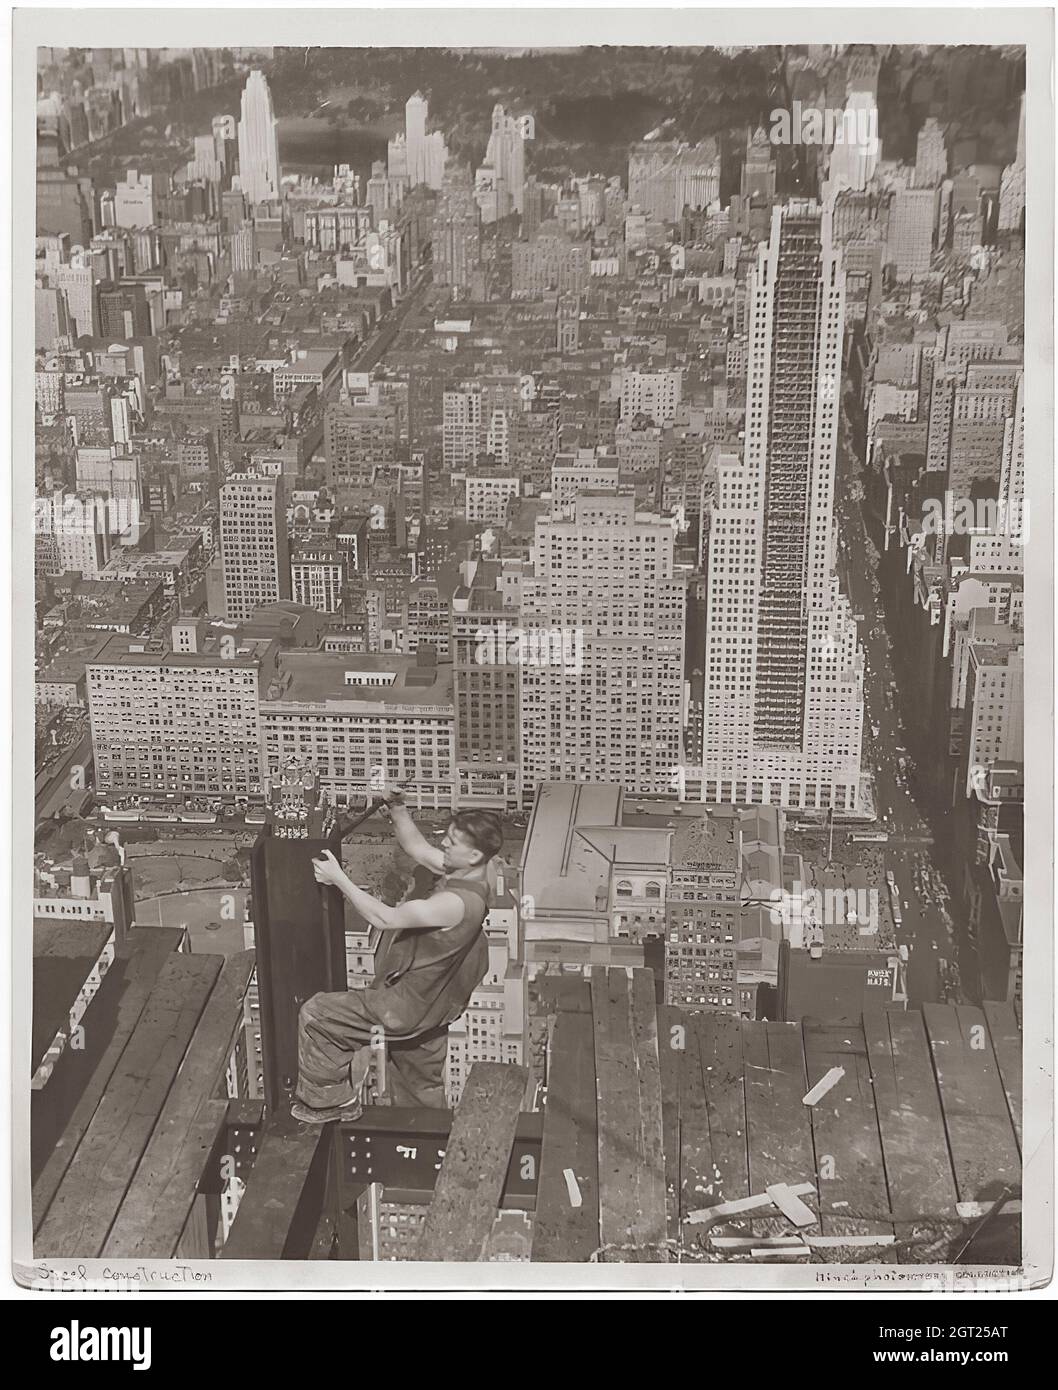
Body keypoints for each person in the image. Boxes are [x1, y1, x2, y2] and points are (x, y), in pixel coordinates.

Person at [290, 787, 503, 1124]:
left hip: (408, 1003)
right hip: (437, 1006)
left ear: (474, 855)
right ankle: (424, 1141)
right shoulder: (481, 872)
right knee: (418, 1084)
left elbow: (385, 918)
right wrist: (398, 808)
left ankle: (329, 1102)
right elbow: (417, 848)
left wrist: (338, 879)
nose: (443, 844)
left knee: (318, 1017)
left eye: (452, 841)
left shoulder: (455, 904)